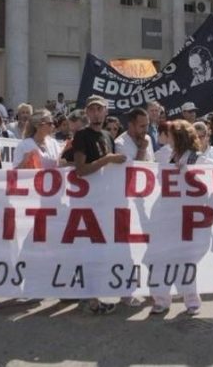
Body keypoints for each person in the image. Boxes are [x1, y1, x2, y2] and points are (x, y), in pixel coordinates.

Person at [151, 120, 211, 315]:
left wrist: (186, 174)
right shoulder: (165, 156)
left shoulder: (199, 160)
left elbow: (207, 188)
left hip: (189, 217)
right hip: (167, 214)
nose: (166, 138)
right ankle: (161, 300)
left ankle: (191, 300)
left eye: (169, 134)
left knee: (187, 259)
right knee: (163, 257)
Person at [69, 124, 127, 314]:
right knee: (88, 251)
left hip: (103, 202)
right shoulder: (81, 135)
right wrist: (108, 159)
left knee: (99, 252)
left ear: (104, 112)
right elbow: (81, 170)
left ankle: (91, 297)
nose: (96, 113)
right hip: (86, 203)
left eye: (99, 109)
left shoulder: (107, 136)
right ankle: (89, 300)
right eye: (92, 109)